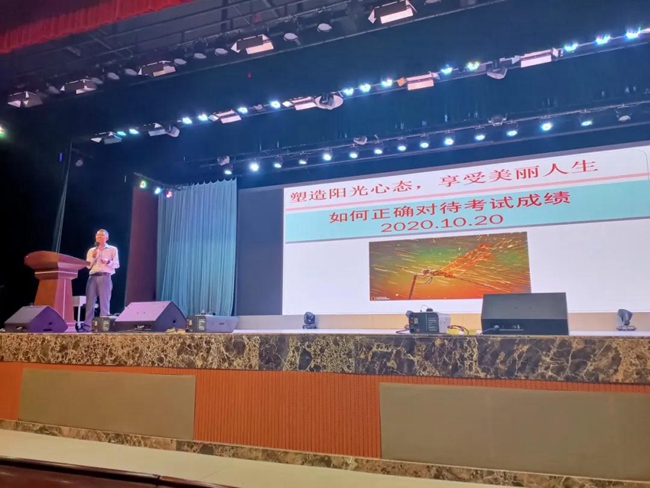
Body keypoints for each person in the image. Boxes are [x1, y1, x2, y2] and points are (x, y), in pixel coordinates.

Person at [81, 229, 119, 332]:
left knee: (104, 303)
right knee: (90, 303)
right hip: (92, 277)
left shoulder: (112, 249)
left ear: (107, 238)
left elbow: (117, 264)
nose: (99, 237)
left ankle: (103, 327)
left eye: (101, 235)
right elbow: (88, 266)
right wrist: (94, 257)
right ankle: (87, 326)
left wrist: (108, 262)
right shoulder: (91, 250)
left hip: (105, 276)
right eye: (97, 235)